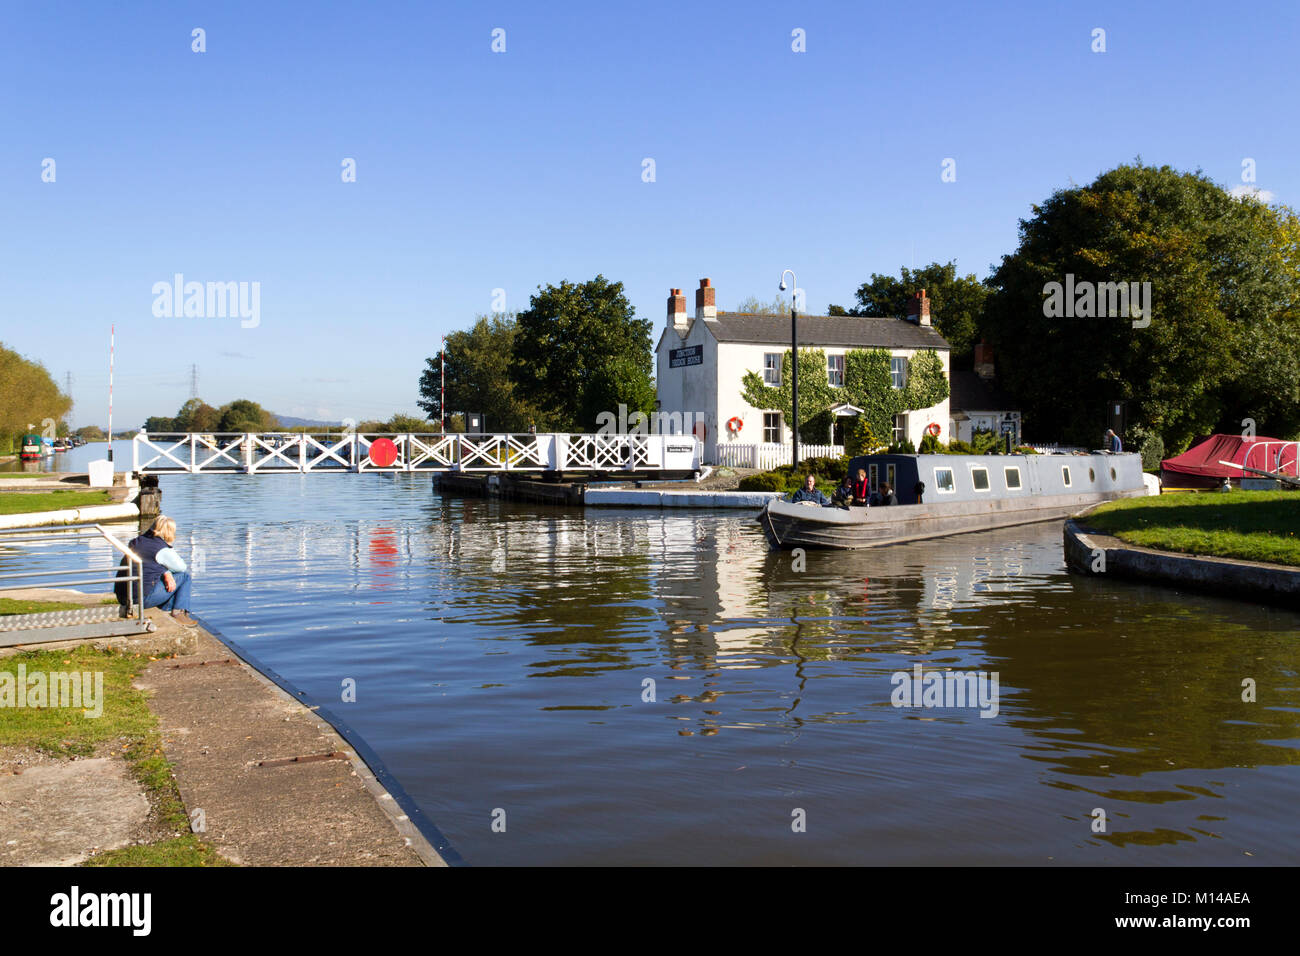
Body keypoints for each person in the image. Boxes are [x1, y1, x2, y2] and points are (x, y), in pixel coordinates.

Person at [114, 515, 197, 627]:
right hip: (140, 599)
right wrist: (167, 570)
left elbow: (145, 563)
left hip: (123, 596)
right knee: (184, 577)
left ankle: (168, 609)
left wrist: (165, 572)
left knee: (166, 575)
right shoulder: (161, 549)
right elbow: (181, 567)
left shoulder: (136, 542)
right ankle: (179, 612)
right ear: (170, 532)